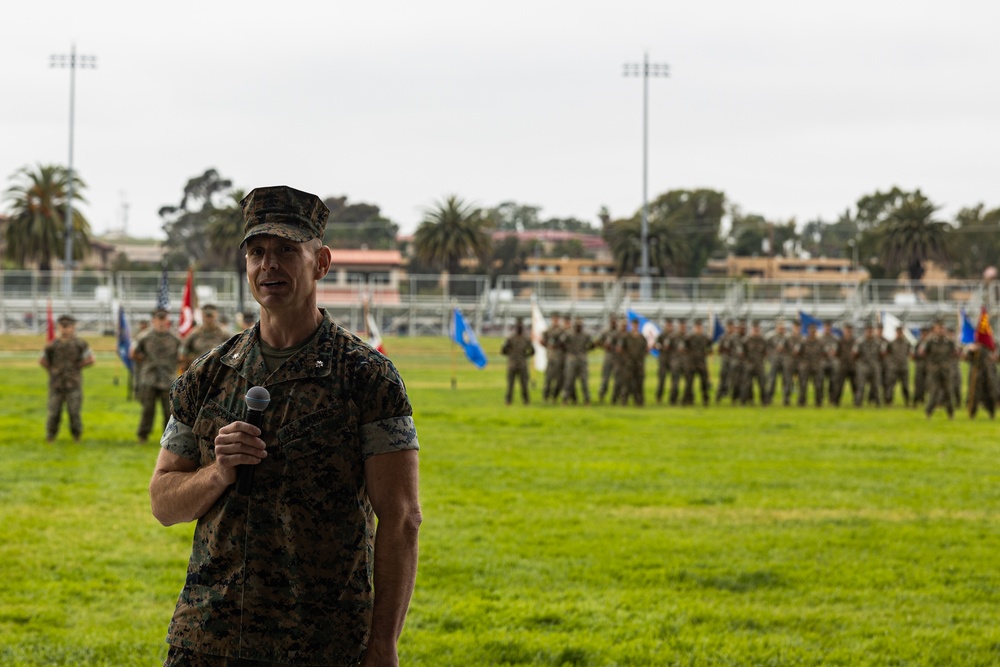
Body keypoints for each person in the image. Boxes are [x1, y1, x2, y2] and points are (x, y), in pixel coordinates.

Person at [149, 185, 422, 667]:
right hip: (209, 637)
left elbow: (401, 520)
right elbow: (164, 503)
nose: (268, 265)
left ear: (321, 262)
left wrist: (383, 644)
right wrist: (218, 471)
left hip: (321, 642)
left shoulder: (367, 377)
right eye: (256, 252)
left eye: (286, 251)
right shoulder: (208, 374)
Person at [39, 314, 95, 443]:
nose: (65, 329)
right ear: (58, 327)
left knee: (74, 412)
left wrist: (77, 367)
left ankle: (76, 436)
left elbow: (91, 359)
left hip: (73, 383)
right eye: (62, 326)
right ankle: (50, 436)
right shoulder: (52, 344)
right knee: (54, 412)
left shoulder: (80, 343)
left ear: (73, 327)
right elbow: (43, 360)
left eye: (68, 326)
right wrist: (52, 371)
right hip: (56, 385)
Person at [132, 308, 181, 443]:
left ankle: (170, 439)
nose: (161, 322)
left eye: (163, 319)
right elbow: (133, 353)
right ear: (153, 320)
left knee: (169, 412)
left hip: (168, 379)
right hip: (150, 379)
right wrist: (147, 362)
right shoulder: (144, 337)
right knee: (148, 410)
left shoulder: (175, 338)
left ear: (167, 320)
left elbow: (182, 355)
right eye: (158, 319)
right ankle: (143, 436)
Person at [179, 304, 231, 371]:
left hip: (218, 374)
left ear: (216, 315)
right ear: (202, 316)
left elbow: (234, 352)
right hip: (198, 373)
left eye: (211, 316)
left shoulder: (224, 334)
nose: (208, 319)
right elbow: (183, 351)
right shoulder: (195, 333)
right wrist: (187, 363)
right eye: (207, 316)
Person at [501, 318, 534, 405]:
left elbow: (532, 351)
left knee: (524, 384)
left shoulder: (526, 339)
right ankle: (508, 400)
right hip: (513, 364)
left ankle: (526, 400)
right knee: (510, 385)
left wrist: (525, 356)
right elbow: (504, 350)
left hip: (522, 364)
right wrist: (511, 355)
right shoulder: (510, 339)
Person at [561, 318, 595, 404]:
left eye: (580, 326)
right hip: (571, 358)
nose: (578, 327)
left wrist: (585, 349)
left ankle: (587, 399)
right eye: (577, 326)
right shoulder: (568, 334)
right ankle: (566, 399)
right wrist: (569, 350)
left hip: (581, 358)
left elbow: (592, 345)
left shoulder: (585, 335)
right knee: (569, 380)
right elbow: (562, 344)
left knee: (584, 380)